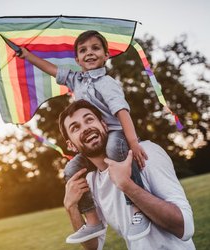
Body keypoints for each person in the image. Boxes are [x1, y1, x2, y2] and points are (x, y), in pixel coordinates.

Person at [17, 30, 149, 243]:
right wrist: (27, 56)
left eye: (95, 48)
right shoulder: (76, 80)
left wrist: (133, 141)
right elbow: (52, 70)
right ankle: (93, 221)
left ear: (106, 55)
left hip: (116, 133)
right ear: (77, 59)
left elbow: (122, 112)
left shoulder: (107, 83)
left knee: (115, 149)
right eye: (83, 50)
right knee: (71, 169)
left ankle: (137, 209)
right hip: (94, 140)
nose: (89, 53)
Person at [59, 100, 195, 250]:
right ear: (71, 145)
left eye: (89, 119)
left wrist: (127, 185)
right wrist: (71, 207)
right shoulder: (90, 182)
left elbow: (185, 228)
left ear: (104, 124)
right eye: (75, 127)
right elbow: (93, 246)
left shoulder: (145, 153)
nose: (86, 128)